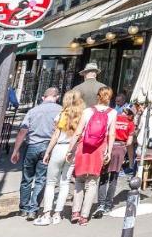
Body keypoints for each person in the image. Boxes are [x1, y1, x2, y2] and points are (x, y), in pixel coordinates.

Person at [9, 87, 62, 220]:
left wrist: (15, 150)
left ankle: (23, 208)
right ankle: (33, 209)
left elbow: (23, 130)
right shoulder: (61, 111)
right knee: (41, 179)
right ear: (57, 97)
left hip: (31, 146)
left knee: (26, 178)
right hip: (48, 147)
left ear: (43, 97)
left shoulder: (33, 111)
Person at [34, 90, 85, 226]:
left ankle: (46, 214)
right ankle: (57, 214)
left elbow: (55, 136)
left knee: (51, 182)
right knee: (65, 182)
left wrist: (47, 152)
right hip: (72, 150)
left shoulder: (62, 115)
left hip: (60, 148)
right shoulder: (82, 116)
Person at [69, 87, 117, 224]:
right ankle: (84, 216)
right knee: (92, 182)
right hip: (99, 149)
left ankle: (75, 212)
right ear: (110, 97)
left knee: (79, 180)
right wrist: (109, 151)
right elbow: (112, 134)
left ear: (98, 96)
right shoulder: (112, 113)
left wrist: (70, 149)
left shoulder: (88, 111)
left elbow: (78, 131)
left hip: (84, 147)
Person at [97, 105, 135, 214]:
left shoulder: (113, 118)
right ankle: (108, 205)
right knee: (113, 178)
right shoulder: (130, 123)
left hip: (108, 147)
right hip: (120, 148)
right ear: (131, 114)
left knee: (103, 176)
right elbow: (129, 142)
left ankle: (101, 204)